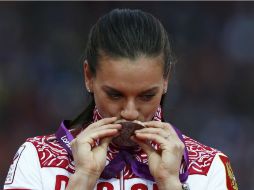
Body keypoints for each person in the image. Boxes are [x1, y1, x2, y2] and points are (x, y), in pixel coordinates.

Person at [4, 9, 238, 190]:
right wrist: (81, 180)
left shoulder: (209, 167)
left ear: (166, 80)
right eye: (115, 94)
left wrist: (170, 183)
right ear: (88, 77)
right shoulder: (36, 157)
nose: (130, 112)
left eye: (147, 96)